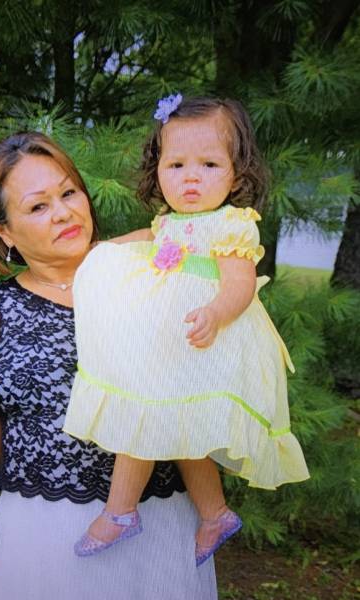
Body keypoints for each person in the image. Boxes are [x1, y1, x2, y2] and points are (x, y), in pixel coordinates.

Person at [0, 131, 221, 600]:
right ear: (3, 229)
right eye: (38, 206)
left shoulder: (150, 263)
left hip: (158, 522)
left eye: (69, 192)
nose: (63, 213)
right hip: (39, 537)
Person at [62, 95, 310, 564]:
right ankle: (215, 514)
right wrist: (103, 249)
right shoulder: (169, 223)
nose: (190, 177)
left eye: (209, 164)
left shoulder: (233, 225)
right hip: (173, 340)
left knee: (146, 412)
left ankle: (120, 511)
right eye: (176, 165)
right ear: (157, 170)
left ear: (237, 172)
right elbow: (147, 240)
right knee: (182, 429)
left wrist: (216, 313)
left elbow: (240, 284)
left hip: (205, 336)